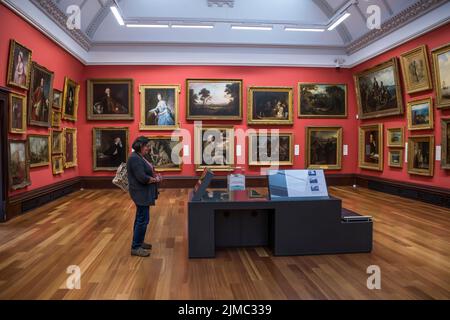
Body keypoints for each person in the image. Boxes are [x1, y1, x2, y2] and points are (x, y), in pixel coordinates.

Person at [127, 136, 162, 257]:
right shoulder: (135, 158)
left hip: (142, 192)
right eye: (146, 146)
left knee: (141, 218)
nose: (148, 148)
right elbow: (141, 177)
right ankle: (136, 247)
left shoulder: (138, 156)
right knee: (143, 220)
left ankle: (139, 242)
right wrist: (155, 179)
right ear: (140, 146)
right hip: (140, 192)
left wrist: (154, 177)